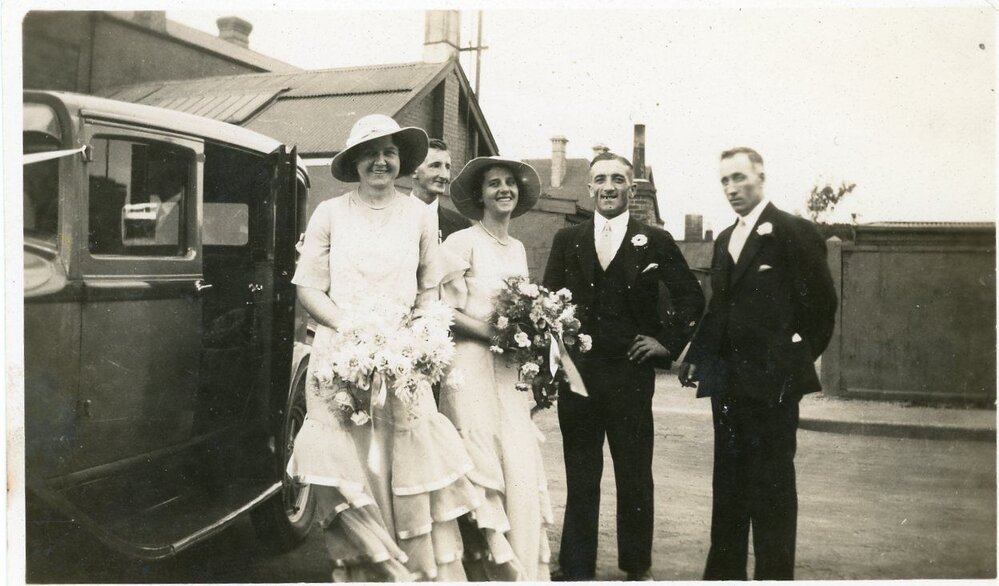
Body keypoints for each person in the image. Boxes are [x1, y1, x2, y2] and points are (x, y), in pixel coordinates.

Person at [287, 114, 481, 582]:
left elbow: (428, 289)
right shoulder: (329, 213)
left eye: (389, 152)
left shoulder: (418, 214)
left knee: (402, 461)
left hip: (401, 358)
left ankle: (410, 573)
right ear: (354, 161)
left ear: (401, 161)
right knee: (350, 467)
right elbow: (309, 288)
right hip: (341, 356)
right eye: (370, 152)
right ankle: (366, 571)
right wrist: (352, 329)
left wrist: (412, 335)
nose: (380, 161)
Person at [542, 152, 704, 581]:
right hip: (579, 377)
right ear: (589, 188)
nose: (609, 186)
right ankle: (576, 568)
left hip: (631, 377)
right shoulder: (568, 240)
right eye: (600, 179)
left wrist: (664, 342)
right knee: (581, 474)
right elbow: (547, 303)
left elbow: (691, 297)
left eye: (618, 179)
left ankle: (636, 566)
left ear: (632, 190)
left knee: (633, 473)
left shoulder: (654, 239)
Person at [679, 147, 837, 580]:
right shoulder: (726, 238)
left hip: (773, 388)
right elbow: (720, 309)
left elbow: (822, 310)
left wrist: (791, 368)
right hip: (727, 386)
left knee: (772, 491)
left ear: (760, 176)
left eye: (738, 178)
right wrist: (699, 355)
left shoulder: (795, 232)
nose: (731, 188)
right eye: (724, 181)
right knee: (727, 489)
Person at [437, 156, 553, 581]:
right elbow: (439, 309)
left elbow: (523, 310)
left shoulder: (518, 248)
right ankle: (483, 569)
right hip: (469, 366)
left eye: (510, 183)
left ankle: (518, 568)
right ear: (479, 195)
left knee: (517, 457)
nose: (504, 189)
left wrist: (533, 335)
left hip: (509, 371)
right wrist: (493, 332)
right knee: (480, 459)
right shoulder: (461, 242)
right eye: (494, 184)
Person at [411, 138, 471, 242]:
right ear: (413, 170)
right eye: (435, 166)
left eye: (447, 167)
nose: (445, 176)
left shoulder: (461, 226)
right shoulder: (391, 217)